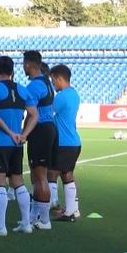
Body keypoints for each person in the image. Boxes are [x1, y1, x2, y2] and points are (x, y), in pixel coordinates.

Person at [0, 56, 38, 236]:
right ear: (12, 71)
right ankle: (26, 224)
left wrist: (10, 132)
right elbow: (34, 115)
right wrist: (23, 134)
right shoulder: (22, 90)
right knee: (18, 182)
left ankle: (0, 227)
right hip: (17, 144)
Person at [22, 51, 56, 228]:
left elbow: (31, 114)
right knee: (37, 174)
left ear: (28, 64)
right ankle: (34, 215)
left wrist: (24, 133)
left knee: (40, 175)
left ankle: (44, 220)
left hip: (40, 130)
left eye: (23, 63)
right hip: (47, 129)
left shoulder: (34, 87)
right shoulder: (47, 82)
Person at [48, 64, 82, 223]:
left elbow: (48, 113)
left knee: (56, 173)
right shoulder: (74, 94)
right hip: (73, 141)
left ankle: (64, 209)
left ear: (59, 78)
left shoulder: (61, 96)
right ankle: (72, 209)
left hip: (63, 142)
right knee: (66, 173)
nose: (53, 84)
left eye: (53, 80)